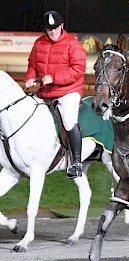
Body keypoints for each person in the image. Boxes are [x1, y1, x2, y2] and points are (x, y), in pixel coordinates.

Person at [25, 10, 87, 178]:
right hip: (45, 92)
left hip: (68, 92)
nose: (51, 32)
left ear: (61, 26)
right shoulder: (39, 43)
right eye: (48, 29)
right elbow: (32, 65)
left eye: (54, 28)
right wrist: (30, 77)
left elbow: (78, 70)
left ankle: (76, 162)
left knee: (68, 121)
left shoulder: (73, 45)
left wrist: (53, 78)